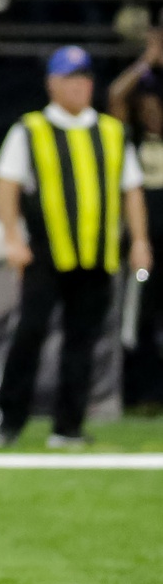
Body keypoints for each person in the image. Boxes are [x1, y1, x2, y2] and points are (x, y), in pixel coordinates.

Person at [0, 47, 151, 448]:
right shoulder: (30, 129)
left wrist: (140, 240)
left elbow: (131, 190)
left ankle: (68, 426)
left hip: (97, 253)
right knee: (30, 333)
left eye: (84, 78)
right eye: (70, 78)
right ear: (52, 84)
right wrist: (12, 238)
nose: (79, 86)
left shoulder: (112, 132)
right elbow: (7, 183)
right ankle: (9, 418)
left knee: (83, 341)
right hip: (46, 250)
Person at [108, 38, 163, 413]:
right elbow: (115, 95)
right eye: (147, 108)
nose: (153, 114)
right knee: (139, 316)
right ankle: (140, 394)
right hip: (144, 244)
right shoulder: (129, 142)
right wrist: (147, 62)